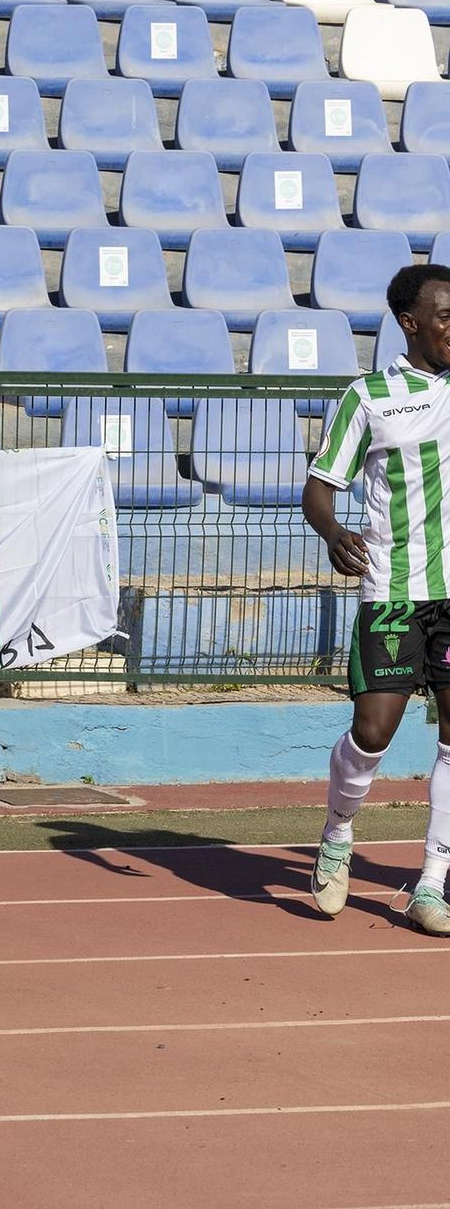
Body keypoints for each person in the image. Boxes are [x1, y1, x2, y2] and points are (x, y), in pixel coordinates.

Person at [305, 263, 450, 936]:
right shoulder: (368, 397)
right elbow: (320, 488)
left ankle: (431, 882)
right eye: (444, 316)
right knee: (373, 733)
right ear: (410, 321)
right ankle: (338, 830)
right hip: (392, 590)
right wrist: (333, 530)